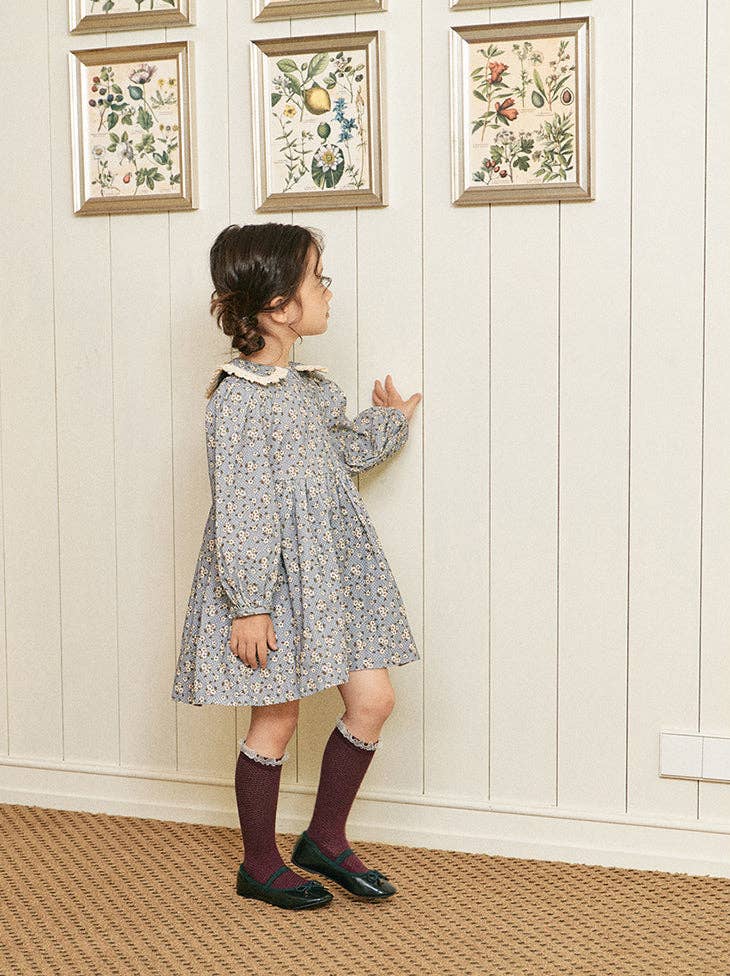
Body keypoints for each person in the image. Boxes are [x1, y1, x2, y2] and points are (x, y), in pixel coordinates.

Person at [170, 222, 423, 910]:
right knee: (275, 717)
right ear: (282, 306)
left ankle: (325, 839)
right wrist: (249, 602)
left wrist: (389, 423)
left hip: (333, 577)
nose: (329, 294)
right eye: (320, 281)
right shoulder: (238, 400)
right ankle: (259, 862)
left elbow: (339, 454)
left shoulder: (308, 389)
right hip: (273, 585)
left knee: (373, 699)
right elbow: (242, 507)